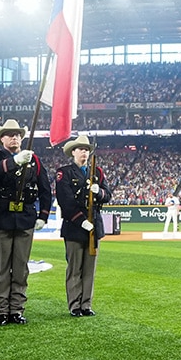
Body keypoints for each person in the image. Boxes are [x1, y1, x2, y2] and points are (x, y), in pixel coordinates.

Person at [0, 119, 51, 325]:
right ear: (1, 138)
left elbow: (45, 189)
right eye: (10, 134)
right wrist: (15, 162)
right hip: (1, 218)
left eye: (18, 134)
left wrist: (43, 215)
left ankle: (17, 309)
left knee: (20, 268)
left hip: (25, 218)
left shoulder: (34, 160)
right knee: (1, 267)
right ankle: (1, 310)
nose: (15, 137)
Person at [55, 134, 112, 317]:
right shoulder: (64, 173)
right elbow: (66, 201)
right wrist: (81, 221)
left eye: (87, 150)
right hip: (74, 226)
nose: (84, 153)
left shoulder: (97, 172)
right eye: (81, 149)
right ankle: (74, 305)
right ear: (73, 152)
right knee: (74, 268)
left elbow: (108, 195)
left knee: (89, 269)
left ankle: (86, 304)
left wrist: (100, 192)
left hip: (94, 226)